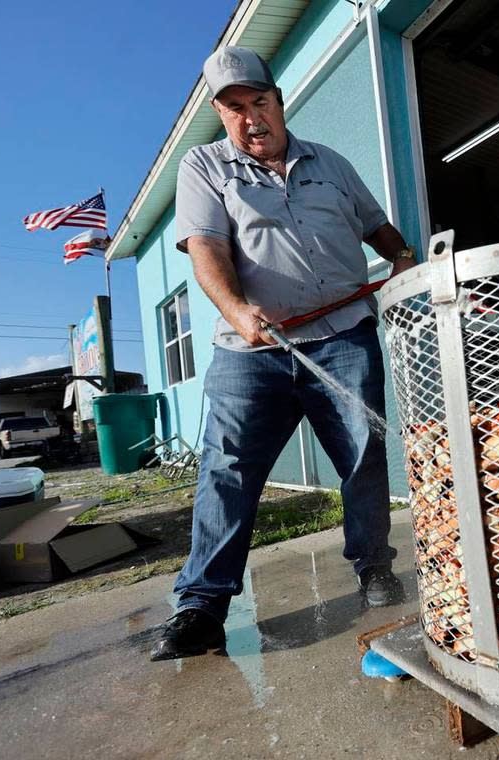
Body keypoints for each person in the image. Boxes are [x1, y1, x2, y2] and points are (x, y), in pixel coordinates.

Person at [151, 46, 415, 661]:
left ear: (279, 100)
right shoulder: (205, 167)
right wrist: (238, 312)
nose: (251, 119)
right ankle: (202, 607)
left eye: (259, 102)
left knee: (362, 455)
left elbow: (379, 228)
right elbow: (206, 250)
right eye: (234, 108)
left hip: (345, 336)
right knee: (227, 470)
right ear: (222, 114)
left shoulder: (332, 164)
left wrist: (401, 260)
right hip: (251, 351)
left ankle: (374, 567)